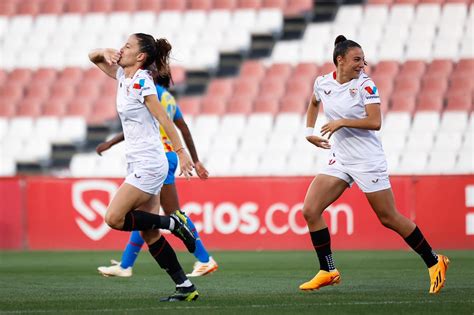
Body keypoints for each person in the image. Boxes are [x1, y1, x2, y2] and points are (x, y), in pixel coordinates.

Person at [299, 35, 449, 294]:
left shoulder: (366, 85)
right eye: (357, 59)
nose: (362, 64)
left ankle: (434, 261)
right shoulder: (323, 83)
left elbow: (375, 121)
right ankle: (328, 270)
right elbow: (313, 103)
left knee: (388, 217)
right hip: (341, 158)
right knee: (310, 210)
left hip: (368, 160)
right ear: (340, 60)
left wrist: (341, 121)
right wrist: (309, 131)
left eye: (363, 60)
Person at [88, 33, 199, 302]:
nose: (122, 48)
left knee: (113, 218)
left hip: (149, 163)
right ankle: (185, 287)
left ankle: (173, 222)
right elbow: (92, 57)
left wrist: (182, 153)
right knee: (150, 234)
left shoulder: (142, 82)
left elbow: (165, 119)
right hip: (139, 162)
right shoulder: (122, 76)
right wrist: (105, 50)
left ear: (140, 56)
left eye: (127, 46)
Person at [96, 73, 218, 278]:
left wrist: (111, 142)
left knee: (173, 214)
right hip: (165, 156)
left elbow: (141, 124)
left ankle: (205, 259)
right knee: (146, 215)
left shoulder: (153, 93)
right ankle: (126, 265)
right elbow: (184, 129)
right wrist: (195, 160)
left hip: (157, 158)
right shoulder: (168, 97)